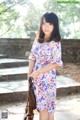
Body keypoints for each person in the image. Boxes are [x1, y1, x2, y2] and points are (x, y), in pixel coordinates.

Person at [28, 12, 63, 120]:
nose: (46, 27)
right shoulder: (37, 40)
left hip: (48, 79)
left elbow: (56, 62)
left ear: (55, 26)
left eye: (50, 24)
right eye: (44, 23)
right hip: (36, 79)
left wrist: (38, 72)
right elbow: (32, 57)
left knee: (46, 109)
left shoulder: (55, 42)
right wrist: (29, 74)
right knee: (44, 109)